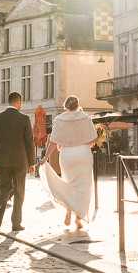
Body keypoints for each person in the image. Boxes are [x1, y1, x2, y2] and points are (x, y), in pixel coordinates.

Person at [40, 95, 98, 230]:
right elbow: (92, 140)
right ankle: (78, 218)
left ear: (65, 106)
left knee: (69, 184)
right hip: (83, 154)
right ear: (78, 105)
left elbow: (53, 142)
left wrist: (45, 158)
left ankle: (68, 212)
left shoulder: (59, 119)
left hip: (67, 156)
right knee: (84, 187)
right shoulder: (85, 117)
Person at [0, 92, 35, 231]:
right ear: (18, 102)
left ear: (8, 102)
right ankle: (16, 223)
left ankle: (2, 207)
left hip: (2, 161)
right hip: (20, 161)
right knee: (19, 191)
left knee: (4, 187)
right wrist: (32, 163)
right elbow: (29, 142)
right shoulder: (24, 119)